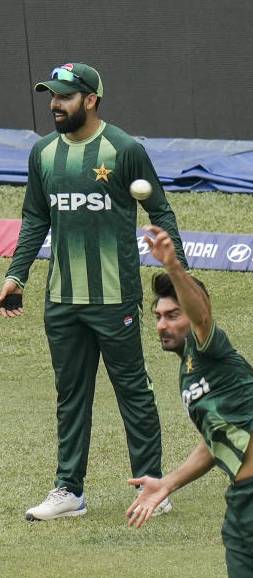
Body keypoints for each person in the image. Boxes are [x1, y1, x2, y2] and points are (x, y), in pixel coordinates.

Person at [0, 62, 187, 520]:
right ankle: (69, 492)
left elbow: (162, 212)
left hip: (114, 297)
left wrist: (180, 283)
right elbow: (36, 220)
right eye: (52, 96)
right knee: (70, 395)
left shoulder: (124, 150)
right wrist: (15, 277)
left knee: (133, 392)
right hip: (62, 301)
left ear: (91, 99)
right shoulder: (43, 154)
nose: (54, 104)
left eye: (65, 96)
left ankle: (151, 487)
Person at [130, 225, 253, 578]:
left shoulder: (212, 348)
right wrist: (168, 483)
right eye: (158, 317)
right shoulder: (188, 371)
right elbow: (215, 443)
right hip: (242, 502)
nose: (162, 325)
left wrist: (173, 267)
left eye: (172, 315)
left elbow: (200, 315)